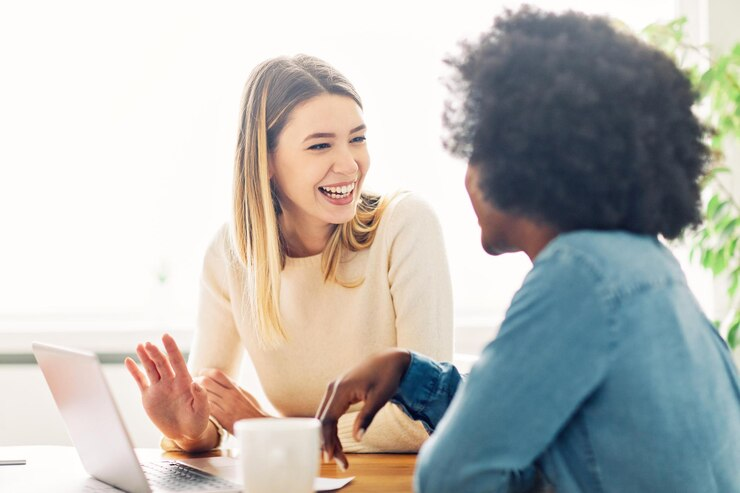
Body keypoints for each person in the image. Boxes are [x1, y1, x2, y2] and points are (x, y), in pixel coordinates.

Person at [317, 7, 740, 492]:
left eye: (476, 149)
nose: (467, 177)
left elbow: (451, 476)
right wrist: (407, 372)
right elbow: (526, 424)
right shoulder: (643, 268)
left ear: (523, 161)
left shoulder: (579, 278)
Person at [124, 55, 453, 456]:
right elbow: (214, 411)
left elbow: (424, 418)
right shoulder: (232, 255)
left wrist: (269, 431)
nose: (350, 164)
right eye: (320, 145)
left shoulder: (405, 225)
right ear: (265, 162)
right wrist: (191, 429)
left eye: (358, 138)